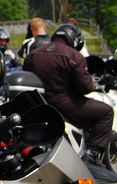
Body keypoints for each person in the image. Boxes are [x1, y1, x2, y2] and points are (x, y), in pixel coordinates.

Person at [24, 23, 113, 164]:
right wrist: (93, 85)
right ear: (74, 39)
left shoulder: (33, 54)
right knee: (106, 112)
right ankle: (92, 156)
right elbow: (85, 88)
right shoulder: (74, 55)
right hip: (65, 104)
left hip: (38, 102)